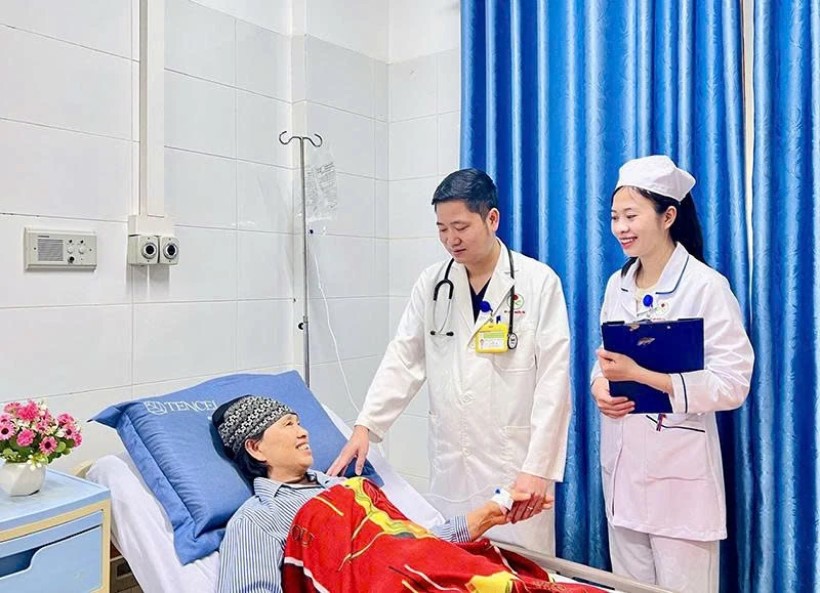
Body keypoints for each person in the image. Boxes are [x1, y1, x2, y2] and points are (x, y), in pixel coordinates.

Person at [328, 168, 571, 554]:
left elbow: (554, 384)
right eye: (442, 229)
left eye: (460, 227)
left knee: (520, 572)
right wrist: (366, 426)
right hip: (451, 467)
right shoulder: (432, 283)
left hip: (513, 467)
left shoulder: (538, 282)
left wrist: (538, 468)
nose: (450, 240)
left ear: (492, 219)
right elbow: (404, 357)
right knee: (452, 566)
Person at [591, 155, 754, 593]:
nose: (620, 228)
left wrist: (647, 377)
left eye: (631, 216)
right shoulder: (617, 285)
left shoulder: (706, 286)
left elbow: (733, 382)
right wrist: (600, 386)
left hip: (681, 485)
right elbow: (602, 359)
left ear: (668, 216)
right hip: (624, 475)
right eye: (614, 217)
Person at [213, 395, 551, 593]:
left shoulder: (345, 487)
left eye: (299, 422)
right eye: (288, 425)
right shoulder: (258, 519)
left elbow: (413, 546)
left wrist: (492, 512)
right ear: (255, 448)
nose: (303, 432)